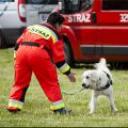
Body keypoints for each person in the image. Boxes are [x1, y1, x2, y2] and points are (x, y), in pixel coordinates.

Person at [7, 12, 76, 115]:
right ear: (57, 24)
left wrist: (16, 58)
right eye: (61, 26)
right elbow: (59, 60)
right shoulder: (55, 35)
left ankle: (13, 106)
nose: (61, 29)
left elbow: (17, 43)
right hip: (38, 53)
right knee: (50, 82)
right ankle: (59, 109)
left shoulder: (32, 27)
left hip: (21, 52)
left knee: (20, 81)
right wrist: (69, 74)